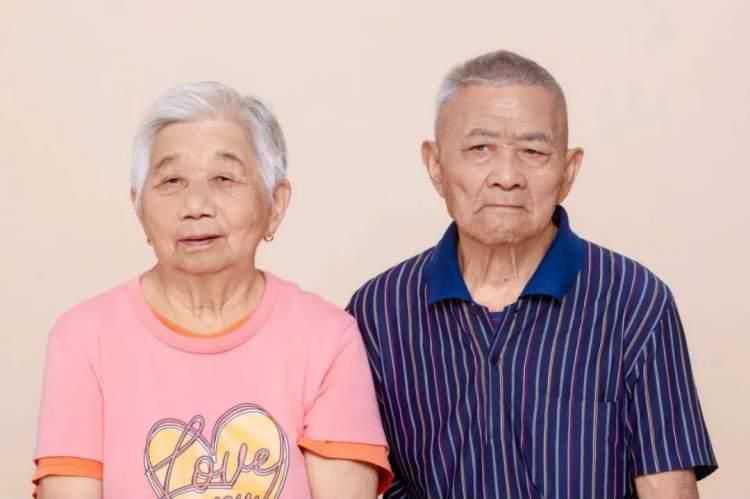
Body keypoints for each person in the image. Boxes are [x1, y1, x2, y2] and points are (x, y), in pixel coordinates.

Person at [347, 50, 717, 499]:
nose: (507, 176)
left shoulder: (634, 301)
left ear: (568, 171)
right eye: (480, 149)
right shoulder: (379, 311)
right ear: (436, 165)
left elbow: (667, 488)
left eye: (533, 151)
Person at [34, 81, 391, 499]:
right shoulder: (83, 339)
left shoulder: (328, 338)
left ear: (275, 204)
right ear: (139, 207)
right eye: (171, 181)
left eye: (224, 178)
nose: (196, 205)